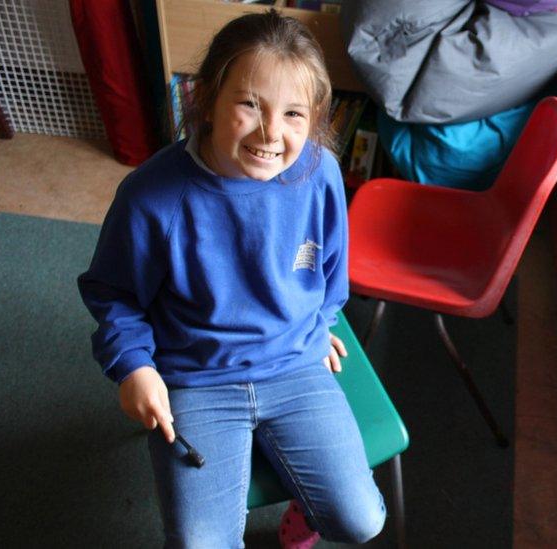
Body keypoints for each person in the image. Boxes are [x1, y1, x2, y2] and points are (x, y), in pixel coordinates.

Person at [77, 10, 385, 548]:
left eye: (294, 113)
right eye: (249, 104)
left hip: (295, 364)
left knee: (360, 521)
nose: (271, 132)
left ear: (314, 119)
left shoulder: (321, 173)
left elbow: (331, 268)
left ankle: (305, 507)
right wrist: (133, 366)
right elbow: (113, 293)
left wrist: (320, 320)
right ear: (207, 99)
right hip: (197, 377)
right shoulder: (153, 195)